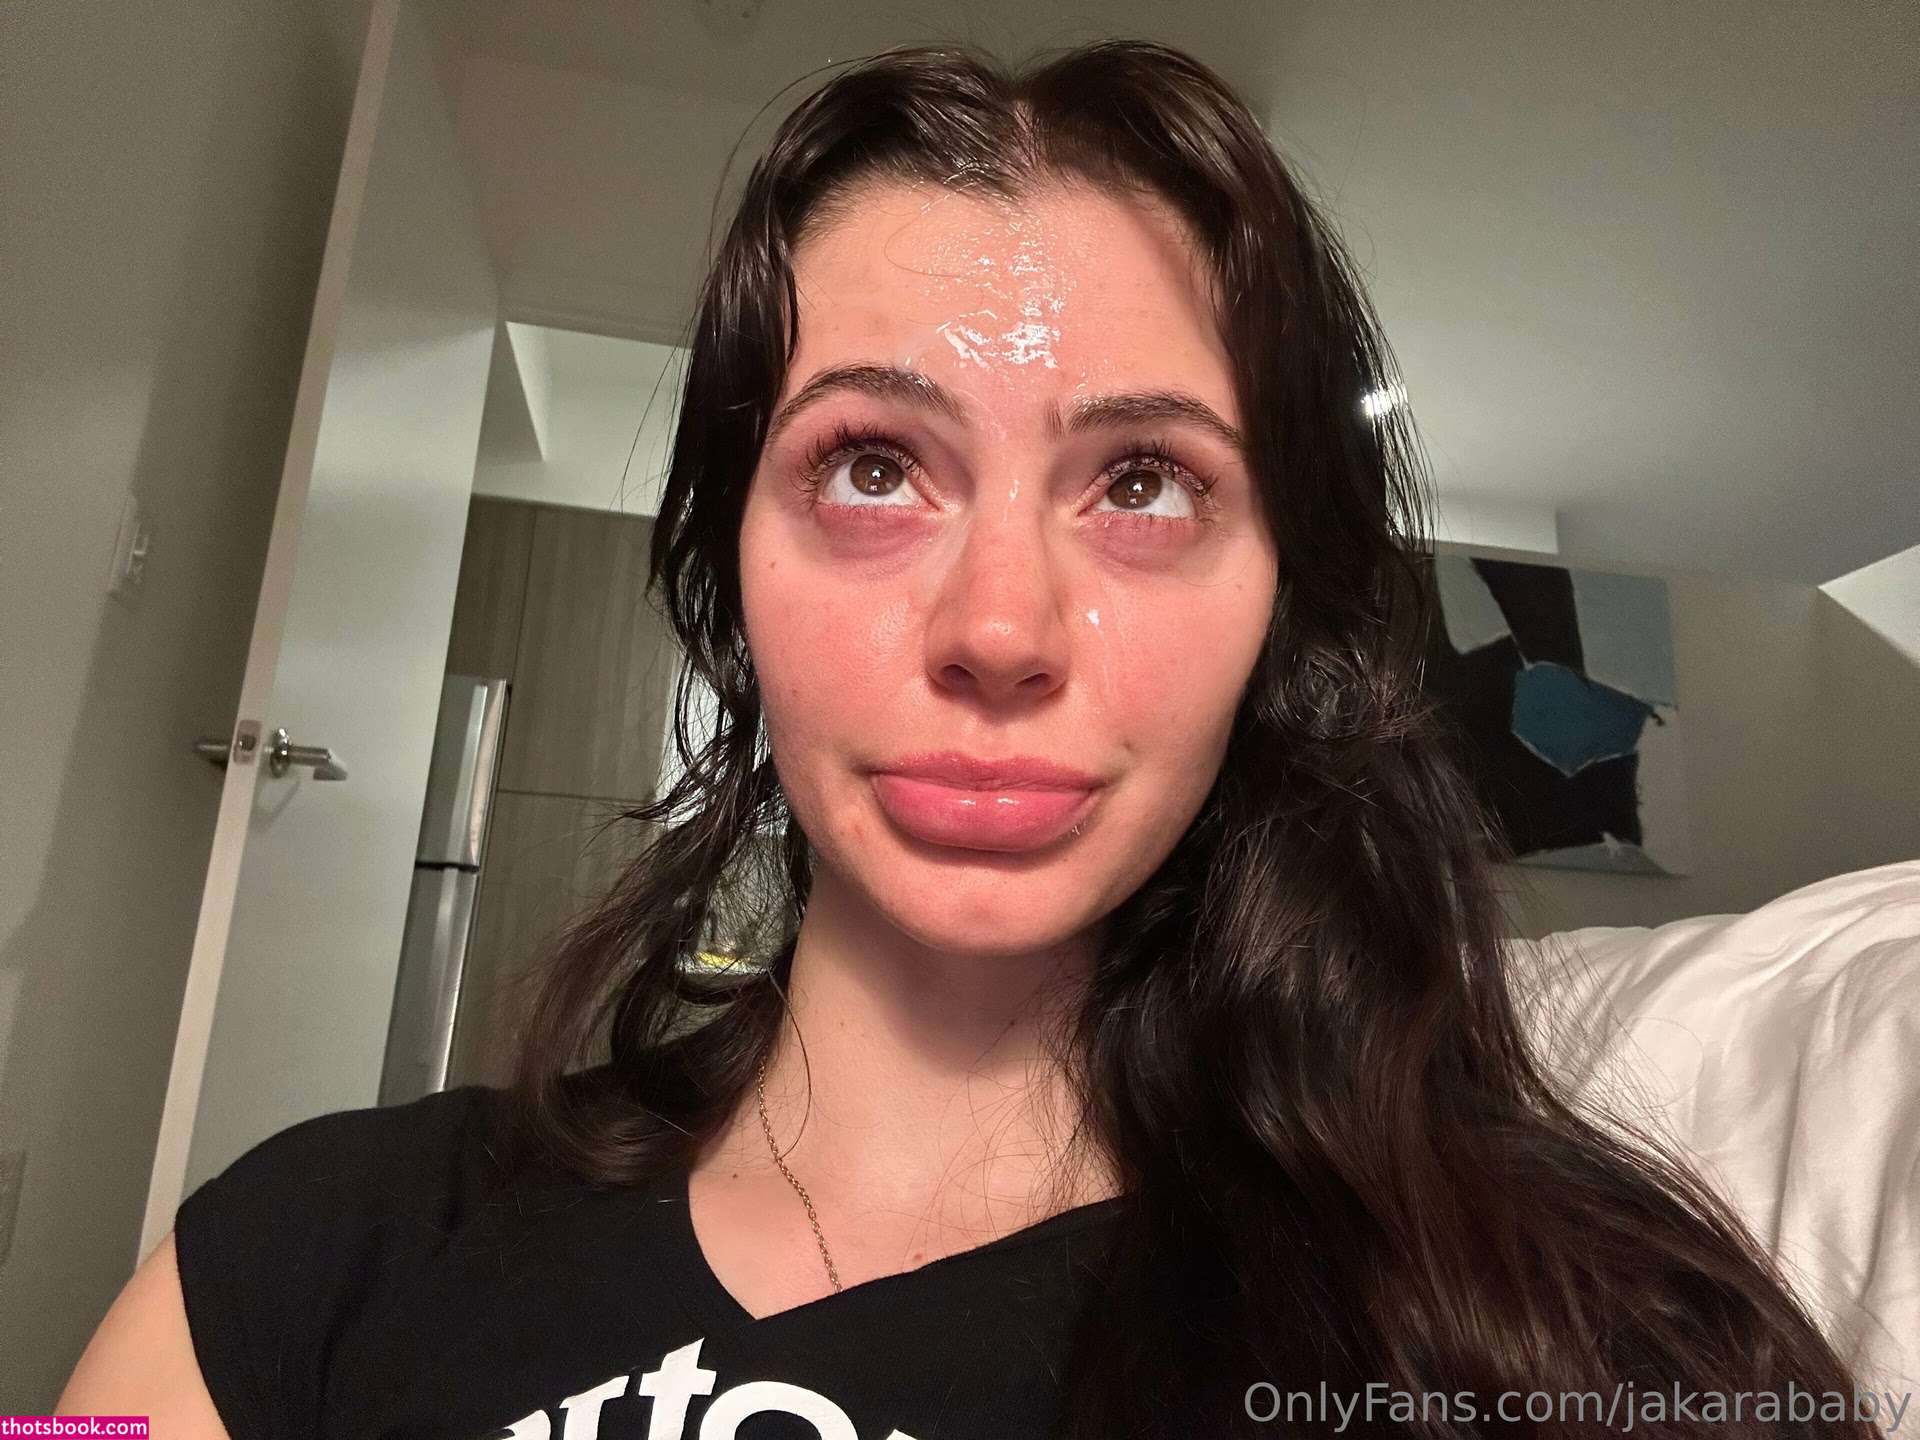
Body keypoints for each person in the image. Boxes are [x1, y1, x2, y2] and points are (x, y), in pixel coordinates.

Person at [60, 39, 1885, 1440]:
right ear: (726, 578)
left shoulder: (1582, 1339)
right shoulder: (293, 1247)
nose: (1001, 630)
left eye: (1146, 483)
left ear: (1280, 609)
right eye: (872, 467)